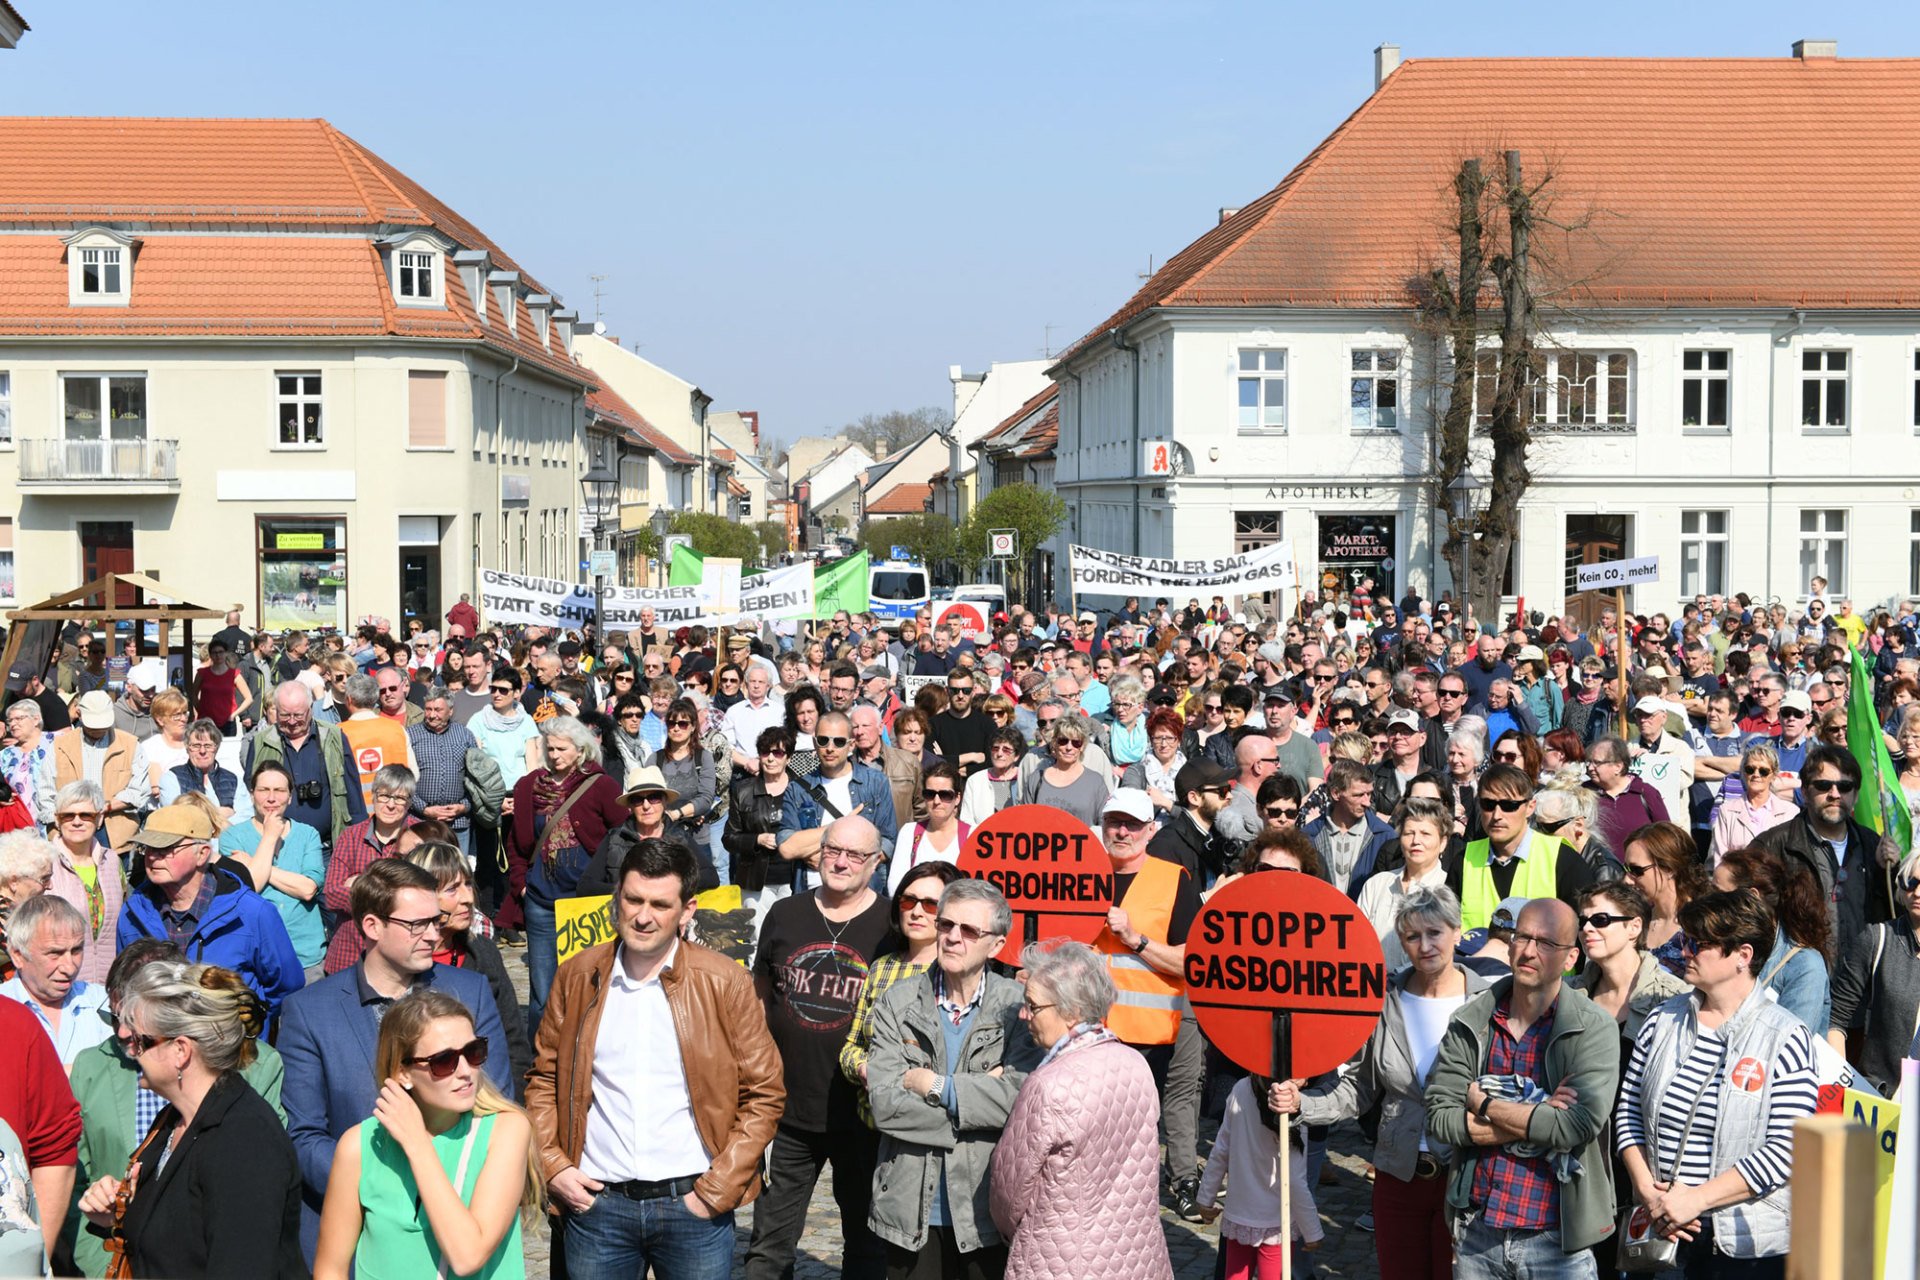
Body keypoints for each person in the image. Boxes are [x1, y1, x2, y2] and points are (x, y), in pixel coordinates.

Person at [526, 836, 784, 1279]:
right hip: (596, 1207)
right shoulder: (577, 975)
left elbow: (765, 1093)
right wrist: (553, 1166)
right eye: (633, 900)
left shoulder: (725, 982)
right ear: (617, 898)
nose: (643, 917)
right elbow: (544, 1079)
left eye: (660, 905)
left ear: (688, 910)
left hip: (694, 1208)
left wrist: (717, 1187)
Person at [1273, 886, 1485, 1280]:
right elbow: (1360, 1088)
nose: (1424, 945)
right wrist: (1302, 1104)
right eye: (1412, 936)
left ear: (1457, 932)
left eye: (1434, 932)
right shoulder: (1384, 999)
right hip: (1397, 1177)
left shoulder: (1487, 1003)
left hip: (1466, 1178)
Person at [1615, 890, 1819, 1279]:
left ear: (1743, 955)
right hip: (1662, 1226)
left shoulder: (1785, 1036)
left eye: (1698, 943)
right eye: (1684, 939)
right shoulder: (1662, 1021)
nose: (1684, 950)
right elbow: (1628, 1111)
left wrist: (1696, 1200)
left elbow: (1788, 1148)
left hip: (1745, 1245)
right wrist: (1647, 1190)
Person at [1424, 898, 1621, 1279]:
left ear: (1571, 959)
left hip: (1556, 1237)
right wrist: (1542, 1109)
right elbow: (1440, 1118)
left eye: (1546, 943)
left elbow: (1575, 1126)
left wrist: (1484, 1103)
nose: (1529, 951)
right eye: (1522, 937)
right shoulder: (1471, 1019)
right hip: (1478, 1232)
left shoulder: (1593, 1027)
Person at [75, 961, 305, 1278]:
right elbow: (175, 1235)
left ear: (181, 1050)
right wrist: (116, 1215)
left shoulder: (245, 1143)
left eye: (141, 1040)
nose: (127, 1041)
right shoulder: (174, 1120)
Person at [865, 877, 1041, 1278]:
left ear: (996, 945)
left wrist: (935, 1086)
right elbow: (885, 1106)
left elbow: (1020, 1102)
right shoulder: (900, 1000)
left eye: (969, 930)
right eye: (946, 925)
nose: (952, 937)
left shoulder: (1017, 1008)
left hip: (985, 1212)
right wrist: (979, 1103)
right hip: (909, 1209)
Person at [746, 814, 894, 1279]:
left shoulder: (892, 924)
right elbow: (759, 996)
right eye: (834, 850)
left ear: (875, 863)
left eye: (855, 855)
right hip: (788, 1112)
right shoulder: (786, 913)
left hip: (861, 1115)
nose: (842, 862)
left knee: (866, 1246)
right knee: (769, 1248)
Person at [313, 988, 536, 1280]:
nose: (465, 1071)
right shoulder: (359, 1146)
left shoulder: (506, 1130)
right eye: (444, 1061)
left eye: (473, 1052)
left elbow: (468, 1256)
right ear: (402, 1073)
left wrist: (418, 1144)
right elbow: (331, 1268)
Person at [990, 939, 1174, 1280]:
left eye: (1033, 1005)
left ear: (1071, 1011)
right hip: (1137, 1256)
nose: (1023, 1014)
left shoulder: (1048, 1084)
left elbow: (1009, 1191)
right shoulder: (1136, 1063)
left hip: (1061, 1261)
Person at [115, 802, 304, 1024]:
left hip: (229, 1053)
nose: (154, 857)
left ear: (202, 854)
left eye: (166, 848)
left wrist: (246, 1034)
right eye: (148, 848)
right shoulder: (133, 913)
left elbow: (287, 986)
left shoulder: (252, 912)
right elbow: (126, 985)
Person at [504, 716, 628, 1033]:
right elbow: (517, 843)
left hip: (587, 902)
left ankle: (587, 1051)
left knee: (591, 984)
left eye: (562, 748)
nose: (554, 754)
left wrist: (613, 885)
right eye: (550, 747)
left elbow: (621, 835)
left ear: (580, 749)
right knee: (542, 992)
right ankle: (539, 1061)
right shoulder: (529, 786)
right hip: (541, 901)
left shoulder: (601, 786)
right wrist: (521, 885)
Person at [840, 861, 967, 1128]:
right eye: (909, 901)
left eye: (931, 904)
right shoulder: (881, 967)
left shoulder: (960, 975)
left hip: (928, 1130)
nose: (917, 912)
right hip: (871, 1124)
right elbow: (851, 1046)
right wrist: (864, 1067)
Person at [401, 840, 533, 1091]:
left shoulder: (482, 952)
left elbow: (513, 1039)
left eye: (468, 884)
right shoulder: (402, 963)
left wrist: (513, 1104)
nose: (468, 898)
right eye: (452, 889)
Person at [1753, 744, 1896, 945]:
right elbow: (1749, 916)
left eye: (1845, 786)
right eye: (1823, 785)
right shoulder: (1772, 845)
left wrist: (1890, 871)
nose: (1835, 794)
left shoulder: (1874, 845)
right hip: (1801, 973)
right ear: (1804, 791)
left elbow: (1896, 913)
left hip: (1863, 973)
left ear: (1855, 795)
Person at [1449, 763, 1597, 933]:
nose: (1497, 815)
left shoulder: (1562, 859)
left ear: (1530, 807)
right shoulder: (1464, 860)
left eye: (1509, 806)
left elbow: (1583, 932)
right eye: (1488, 804)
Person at [1827, 851, 1920, 1096]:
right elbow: (1836, 1017)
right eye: (1911, 883)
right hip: (1880, 1098)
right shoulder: (1877, 939)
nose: (1917, 893)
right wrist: (1841, 1084)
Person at [1712, 846, 1831, 1035]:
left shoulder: (1805, 966)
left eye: (1717, 893)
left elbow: (1791, 1045)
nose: (1708, 900)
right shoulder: (1719, 946)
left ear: (1752, 896)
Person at [778, 710, 898, 893]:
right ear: (814, 743)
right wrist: (842, 825)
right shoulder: (798, 789)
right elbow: (787, 848)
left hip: (862, 892)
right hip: (811, 890)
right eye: (823, 740)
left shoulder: (875, 783)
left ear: (851, 745)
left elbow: (887, 841)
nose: (830, 748)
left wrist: (828, 856)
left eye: (839, 741)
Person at [320, 764, 421, 975]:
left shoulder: (420, 837)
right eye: (384, 796)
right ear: (373, 796)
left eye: (399, 798)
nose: (390, 805)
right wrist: (392, 900)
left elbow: (424, 897)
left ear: (409, 802)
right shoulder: (350, 836)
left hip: (400, 957)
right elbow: (330, 895)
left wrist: (360, 886)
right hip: (349, 953)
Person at [247, 681, 365, 851]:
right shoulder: (260, 742)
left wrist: (358, 840)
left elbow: (354, 794)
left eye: (298, 715)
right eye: (285, 715)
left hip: (328, 848)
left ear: (310, 710)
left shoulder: (334, 737)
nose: (292, 721)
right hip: (278, 849)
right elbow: (251, 792)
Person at [2, 893, 115, 1068]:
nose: (69, 967)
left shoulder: (101, 1003)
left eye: (76, 950)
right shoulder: (4, 1008)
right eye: (55, 953)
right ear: (18, 955)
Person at [1357, 797, 1454, 972]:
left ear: (1443, 843)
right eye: (1409, 833)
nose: (1416, 840)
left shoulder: (1448, 888)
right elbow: (1357, 943)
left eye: (1425, 834)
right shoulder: (1376, 885)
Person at [46, 782, 124, 984]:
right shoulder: (42, 863)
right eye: (68, 816)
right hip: (60, 980)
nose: (77, 822)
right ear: (57, 820)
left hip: (109, 982)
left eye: (86, 815)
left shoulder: (113, 861)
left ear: (99, 818)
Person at [1625, 821, 1710, 978]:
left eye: (1636, 870)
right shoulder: (1634, 920)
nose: (1627, 880)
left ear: (1669, 868)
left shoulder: (1702, 927)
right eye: (1627, 869)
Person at [1305, 757, 1394, 897]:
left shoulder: (1385, 836)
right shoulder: (1307, 836)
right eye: (1358, 795)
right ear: (1335, 793)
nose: (1367, 802)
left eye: (1369, 794)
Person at [888, 761, 969, 895]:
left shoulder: (972, 834)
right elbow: (895, 885)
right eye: (930, 794)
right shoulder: (909, 832)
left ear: (957, 798)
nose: (937, 801)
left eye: (945, 795)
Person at [1707, 744, 1797, 864]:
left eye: (1763, 771)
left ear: (1774, 775)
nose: (1756, 774)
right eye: (1750, 769)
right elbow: (1720, 859)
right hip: (1737, 879)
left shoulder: (1790, 813)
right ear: (1744, 773)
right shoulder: (1726, 811)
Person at [1023, 714, 1111, 828]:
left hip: (1083, 844)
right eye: (1063, 741)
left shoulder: (1095, 781)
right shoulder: (1036, 779)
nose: (1069, 747)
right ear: (1054, 743)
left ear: (1082, 746)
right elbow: (1025, 821)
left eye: (1076, 743)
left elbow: (1104, 824)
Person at [1585, 736, 1669, 853]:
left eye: (1597, 763)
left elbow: (1666, 837)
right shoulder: (1583, 793)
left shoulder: (1646, 793)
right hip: (1595, 870)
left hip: (1636, 870)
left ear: (1618, 767)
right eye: (1589, 762)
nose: (1590, 767)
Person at [960, 727, 1026, 827]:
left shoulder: (1026, 778)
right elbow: (966, 819)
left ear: (1016, 756)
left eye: (1006, 750)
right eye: (995, 748)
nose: (999, 754)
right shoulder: (975, 780)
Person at [191, 638, 254, 736]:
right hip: (206, 721)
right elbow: (193, 695)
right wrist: (201, 711)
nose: (218, 655)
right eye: (214, 652)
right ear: (210, 655)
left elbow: (249, 698)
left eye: (221, 652)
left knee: (227, 750)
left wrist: (233, 715)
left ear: (225, 653)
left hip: (227, 722)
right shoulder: (202, 673)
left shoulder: (234, 674)